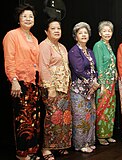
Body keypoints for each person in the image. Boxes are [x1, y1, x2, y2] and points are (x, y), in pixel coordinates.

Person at [2, 4, 41, 160]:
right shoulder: (12, 35)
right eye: (24, 16)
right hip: (19, 82)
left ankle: (32, 150)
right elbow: (9, 60)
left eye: (31, 16)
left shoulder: (34, 38)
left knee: (34, 119)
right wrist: (14, 80)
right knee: (22, 119)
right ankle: (22, 153)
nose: (28, 18)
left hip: (33, 82)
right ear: (18, 19)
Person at [39, 18, 72, 160]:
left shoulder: (62, 47)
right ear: (46, 31)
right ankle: (46, 148)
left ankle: (59, 145)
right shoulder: (44, 46)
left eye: (58, 28)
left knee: (63, 118)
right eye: (53, 28)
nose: (57, 31)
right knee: (52, 117)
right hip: (51, 87)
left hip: (64, 88)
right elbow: (43, 67)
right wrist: (50, 87)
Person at [68, 22, 99, 153]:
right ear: (76, 36)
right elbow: (78, 70)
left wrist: (96, 81)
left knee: (90, 116)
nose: (83, 35)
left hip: (91, 89)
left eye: (85, 32)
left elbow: (94, 69)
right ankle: (80, 144)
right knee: (80, 117)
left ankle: (89, 141)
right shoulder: (74, 51)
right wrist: (93, 84)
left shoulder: (90, 51)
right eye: (80, 33)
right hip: (79, 89)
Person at [93, 20, 118, 146]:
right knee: (102, 108)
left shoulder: (108, 45)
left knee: (110, 109)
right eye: (104, 31)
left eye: (109, 31)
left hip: (111, 82)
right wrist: (102, 84)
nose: (107, 33)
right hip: (104, 83)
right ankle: (100, 135)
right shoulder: (98, 45)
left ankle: (108, 134)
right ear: (99, 33)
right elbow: (99, 66)